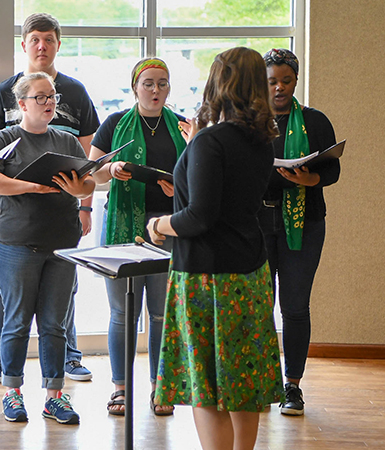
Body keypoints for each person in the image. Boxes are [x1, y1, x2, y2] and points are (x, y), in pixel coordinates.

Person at [149, 47, 283, 450]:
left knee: (205, 385)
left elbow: (198, 218)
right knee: (242, 382)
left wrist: (158, 224)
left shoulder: (211, 141)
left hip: (207, 276)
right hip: (250, 270)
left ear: (218, 82)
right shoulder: (261, 139)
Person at [0, 12, 100, 384]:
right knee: (14, 316)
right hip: (16, 237)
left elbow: (87, 177)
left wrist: (83, 197)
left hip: (61, 238)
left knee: (55, 320)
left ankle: (55, 391)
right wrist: (20, 191)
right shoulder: (4, 131)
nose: (49, 103)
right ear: (22, 102)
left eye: (52, 97)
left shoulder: (65, 133)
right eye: (41, 97)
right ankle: (7, 380)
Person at [89, 58, 185, 417]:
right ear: (135, 87)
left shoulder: (182, 126)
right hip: (123, 227)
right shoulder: (114, 123)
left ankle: (161, 387)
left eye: (162, 83)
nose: (156, 90)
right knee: (122, 313)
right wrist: (111, 169)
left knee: (161, 313)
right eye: (148, 83)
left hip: (169, 228)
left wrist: (180, 184)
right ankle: (120, 388)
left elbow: (200, 176)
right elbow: (92, 173)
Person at [262, 48, 340, 416]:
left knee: (294, 307)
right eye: (272, 81)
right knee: (259, 307)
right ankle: (261, 382)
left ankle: (292, 386)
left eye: (286, 80)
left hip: (304, 223)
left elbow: (333, 171)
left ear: (296, 80)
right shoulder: (249, 121)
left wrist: (311, 179)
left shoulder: (315, 120)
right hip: (257, 224)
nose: (279, 88)